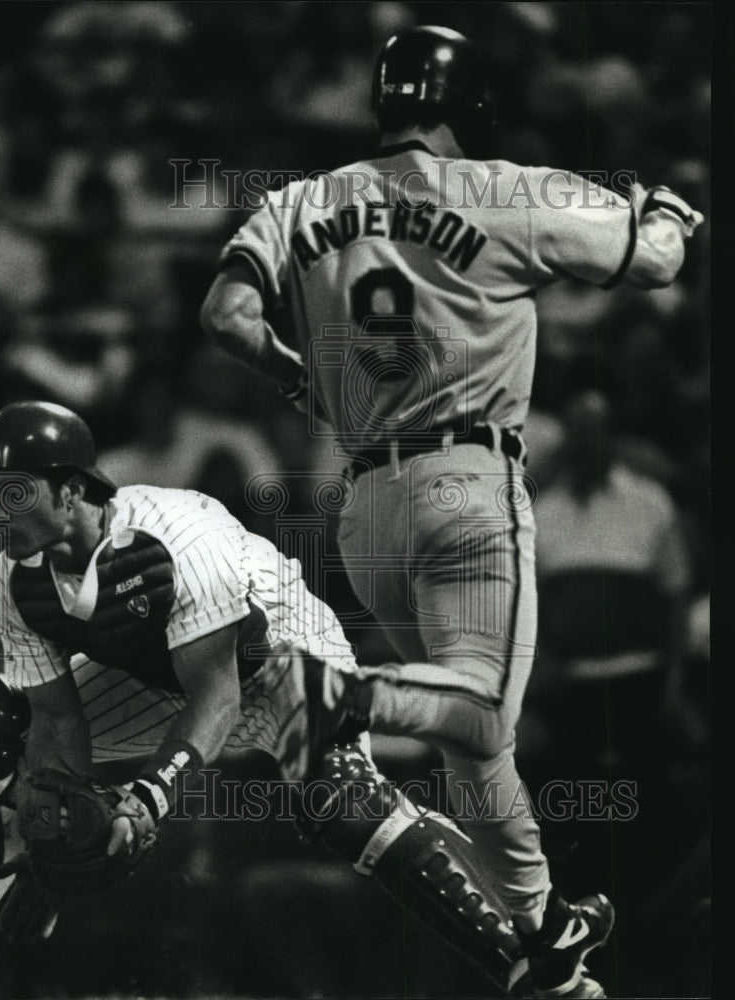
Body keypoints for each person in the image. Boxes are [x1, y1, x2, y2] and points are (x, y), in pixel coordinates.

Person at [200, 25, 703, 1000]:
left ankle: (542, 934)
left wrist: (299, 381)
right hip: (467, 477)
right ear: (470, 103)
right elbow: (651, 265)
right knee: (473, 706)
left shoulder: (301, 200)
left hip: (367, 509)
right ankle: (337, 698)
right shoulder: (506, 187)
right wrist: (671, 210)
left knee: (471, 739)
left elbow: (224, 317)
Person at [0, 400, 537, 1000]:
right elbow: (58, 723)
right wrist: (49, 850)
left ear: (69, 489)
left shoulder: (179, 534)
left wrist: (149, 796)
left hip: (278, 656)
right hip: (160, 681)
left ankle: (527, 955)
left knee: (336, 798)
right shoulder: (15, 576)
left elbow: (217, 695)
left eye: (15, 493)